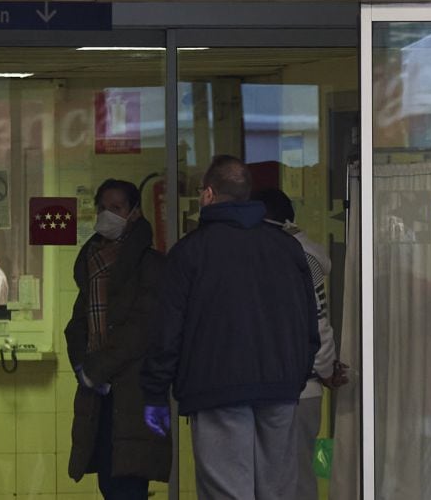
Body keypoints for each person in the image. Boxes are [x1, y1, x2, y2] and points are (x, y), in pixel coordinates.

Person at [140, 155, 320, 500]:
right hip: (280, 389)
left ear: (208, 194)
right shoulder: (287, 248)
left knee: (228, 492)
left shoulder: (189, 253)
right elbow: (308, 323)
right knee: (278, 491)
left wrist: (155, 392)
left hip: (215, 390)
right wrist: (294, 376)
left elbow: (167, 332)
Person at [64, 178, 170, 499]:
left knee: (129, 483)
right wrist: (84, 366)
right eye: (102, 208)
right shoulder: (92, 264)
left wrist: (96, 369)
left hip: (133, 391)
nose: (106, 215)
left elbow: (141, 329)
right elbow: (77, 325)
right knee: (109, 483)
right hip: (98, 395)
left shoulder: (150, 265)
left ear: (134, 213)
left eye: (116, 208)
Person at [254, 187, 348, 500]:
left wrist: (322, 367)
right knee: (296, 475)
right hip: (302, 387)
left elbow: (317, 322)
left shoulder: (294, 257)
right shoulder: (304, 253)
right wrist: (323, 369)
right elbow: (320, 321)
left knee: (285, 477)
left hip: (289, 387)